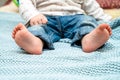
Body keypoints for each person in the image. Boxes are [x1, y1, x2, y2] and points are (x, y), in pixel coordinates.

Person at [12, 0, 112, 55]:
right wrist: (33, 15)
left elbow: (92, 6)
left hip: (75, 17)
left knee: (87, 21)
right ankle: (35, 42)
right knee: (37, 28)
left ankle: (88, 39)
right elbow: (25, 3)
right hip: (45, 18)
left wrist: (105, 20)